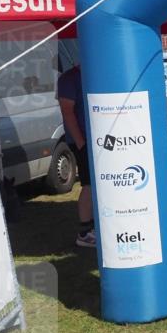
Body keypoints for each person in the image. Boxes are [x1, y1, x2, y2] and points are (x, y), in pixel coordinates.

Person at [56, 65, 94, 248]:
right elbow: (67, 110)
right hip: (83, 141)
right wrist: (81, 143)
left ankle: (95, 227)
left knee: (99, 184)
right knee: (89, 184)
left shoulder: (94, 72)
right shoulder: (69, 78)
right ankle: (85, 232)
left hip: (99, 140)